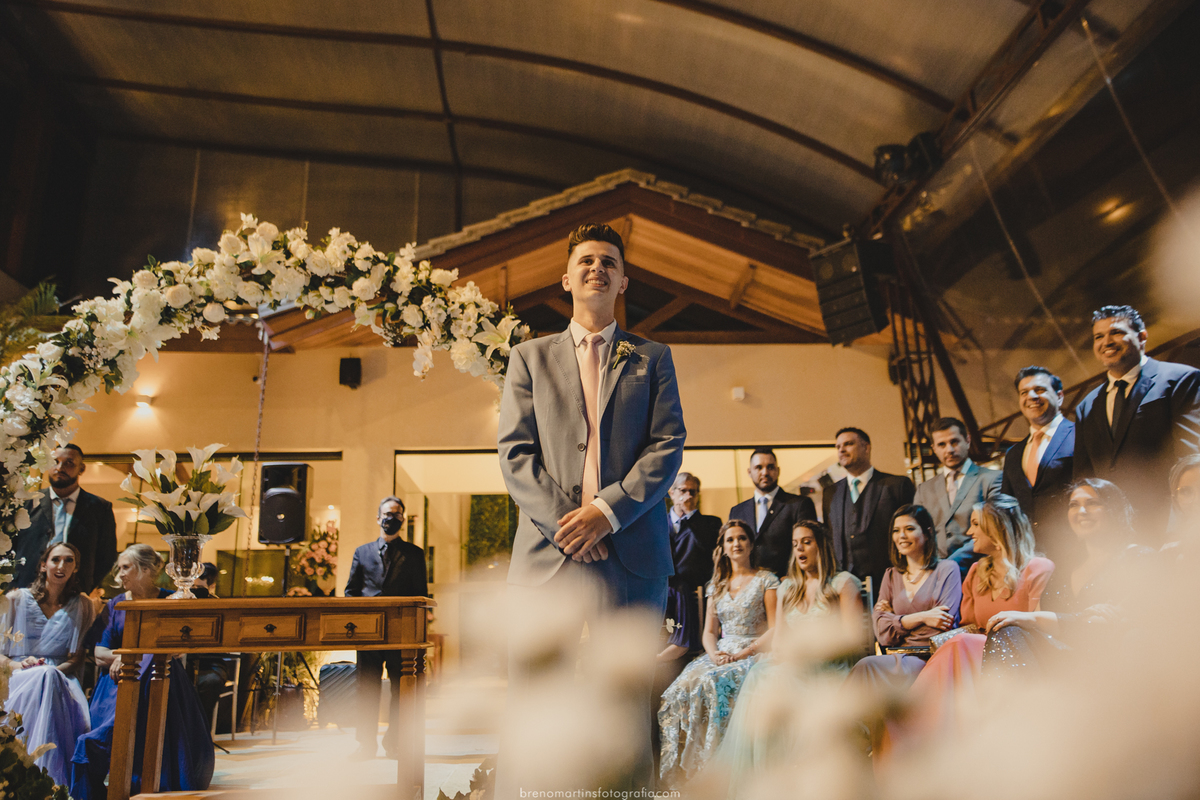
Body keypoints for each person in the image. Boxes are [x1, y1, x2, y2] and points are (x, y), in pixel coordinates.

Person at [497, 222, 686, 792]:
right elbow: (515, 453)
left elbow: (667, 443)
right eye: (586, 260)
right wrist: (568, 525)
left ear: (622, 280)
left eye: (608, 260)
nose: (596, 268)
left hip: (631, 553)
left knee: (625, 702)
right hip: (545, 555)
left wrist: (606, 512)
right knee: (534, 693)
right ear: (566, 278)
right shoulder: (529, 357)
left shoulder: (652, 357)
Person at [716, 521, 863, 791]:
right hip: (795, 666)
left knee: (770, 678)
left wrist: (815, 649)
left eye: (806, 542)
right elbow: (780, 639)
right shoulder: (788, 588)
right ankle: (764, 778)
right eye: (796, 544)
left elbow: (855, 641)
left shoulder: (842, 584)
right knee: (761, 673)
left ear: (822, 545)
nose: (800, 549)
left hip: (831, 668)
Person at [895, 496, 1053, 744]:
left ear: (997, 529)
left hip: (1016, 653)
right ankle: (923, 730)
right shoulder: (976, 571)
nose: (969, 532)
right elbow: (966, 624)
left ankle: (915, 722)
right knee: (959, 643)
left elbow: (1040, 628)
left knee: (960, 644)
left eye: (976, 524)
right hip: (973, 655)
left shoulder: (1039, 568)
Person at [70, 544, 214, 799]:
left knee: (154, 663)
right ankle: (110, 733)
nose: (119, 575)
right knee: (142, 665)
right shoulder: (115, 605)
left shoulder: (172, 599)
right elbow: (99, 653)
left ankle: (131, 752)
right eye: (119, 568)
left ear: (146, 570)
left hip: (163, 677)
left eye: (126, 568)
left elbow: (180, 648)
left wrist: (132, 656)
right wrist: (126, 658)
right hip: (118, 681)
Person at [984, 479, 1152, 672]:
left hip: (1107, 655)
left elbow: (1112, 621)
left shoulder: (1137, 556)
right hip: (1060, 655)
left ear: (1114, 509)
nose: (1081, 511)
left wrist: (1036, 619)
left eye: (1093, 503)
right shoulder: (1064, 568)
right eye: (1074, 505)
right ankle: (1005, 701)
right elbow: (1040, 618)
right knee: (1007, 631)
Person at [658, 521, 778, 788]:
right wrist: (712, 654)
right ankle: (690, 769)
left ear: (751, 544)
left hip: (754, 651)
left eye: (742, 538)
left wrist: (746, 652)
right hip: (721, 651)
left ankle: (726, 765)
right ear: (723, 547)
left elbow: (775, 627)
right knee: (681, 687)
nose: (736, 543)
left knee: (716, 683)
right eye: (730, 539)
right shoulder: (716, 585)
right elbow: (709, 632)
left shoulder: (767, 580)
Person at [1073, 305, 1200, 540]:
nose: (1106, 342)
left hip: (1166, 523)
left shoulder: (1179, 379)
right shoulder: (1086, 405)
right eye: (1098, 337)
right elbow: (1083, 475)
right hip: (1111, 530)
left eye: (1117, 333)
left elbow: (1190, 457)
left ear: (1142, 337)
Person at [1, 542, 94, 786]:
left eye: (69, 560)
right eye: (55, 560)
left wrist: (52, 671)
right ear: (44, 565)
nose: (61, 565)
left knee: (48, 677)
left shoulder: (83, 605)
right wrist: (21, 666)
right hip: (19, 674)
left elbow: (77, 657)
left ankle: (51, 781)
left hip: (61, 676)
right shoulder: (15, 599)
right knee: (43, 676)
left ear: (75, 568)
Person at [344, 496, 429, 760]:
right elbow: (351, 592)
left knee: (400, 688)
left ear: (403, 519)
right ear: (378, 517)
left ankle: (395, 743)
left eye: (397, 514)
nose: (392, 518)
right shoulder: (362, 552)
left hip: (401, 632)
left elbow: (421, 596)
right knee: (366, 688)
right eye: (387, 513)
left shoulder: (415, 554)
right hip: (368, 631)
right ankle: (365, 744)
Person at [846, 505, 961, 699]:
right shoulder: (891, 575)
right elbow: (882, 633)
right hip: (898, 657)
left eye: (909, 529)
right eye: (896, 531)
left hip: (933, 657)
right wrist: (923, 616)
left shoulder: (947, 569)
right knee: (868, 672)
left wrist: (895, 619)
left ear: (927, 533)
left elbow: (942, 624)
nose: (902, 536)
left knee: (867, 666)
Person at [654, 472, 721, 770]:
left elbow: (702, 555)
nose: (689, 496)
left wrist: (688, 518)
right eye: (683, 490)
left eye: (694, 491)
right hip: (659, 594)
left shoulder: (708, 524)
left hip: (688, 598)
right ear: (671, 491)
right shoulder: (657, 520)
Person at [14, 444, 117, 594]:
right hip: (27, 591)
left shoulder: (100, 508)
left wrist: (85, 587)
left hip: (74, 594)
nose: (60, 468)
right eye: (55, 461)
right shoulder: (27, 503)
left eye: (69, 463)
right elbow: (9, 547)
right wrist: (14, 583)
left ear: (81, 468)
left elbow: (107, 556)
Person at [826, 427, 916, 596]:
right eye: (838, 447)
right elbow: (829, 538)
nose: (842, 450)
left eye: (848, 444)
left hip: (890, 582)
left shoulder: (896, 485)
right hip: (844, 587)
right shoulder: (830, 493)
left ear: (866, 447)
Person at [1001, 366, 1076, 565]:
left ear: (1059, 396)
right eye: (1024, 392)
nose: (1032, 396)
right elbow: (1008, 508)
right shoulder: (1013, 454)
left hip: (1071, 550)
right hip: (1028, 556)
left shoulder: (1080, 436)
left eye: (1040, 390)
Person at [912, 417, 1002, 577]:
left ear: (967, 440)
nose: (949, 450)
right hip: (937, 575)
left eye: (954, 442)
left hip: (983, 571)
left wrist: (949, 565)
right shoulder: (923, 490)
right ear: (933, 448)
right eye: (942, 444)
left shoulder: (991, 479)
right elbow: (919, 533)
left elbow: (994, 529)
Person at [728, 448, 817, 577]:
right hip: (749, 585)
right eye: (759, 467)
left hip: (788, 584)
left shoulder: (799, 504)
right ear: (749, 472)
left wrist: (792, 579)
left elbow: (809, 549)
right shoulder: (737, 511)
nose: (765, 472)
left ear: (778, 471)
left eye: (770, 467)